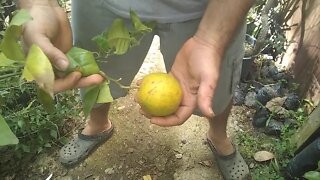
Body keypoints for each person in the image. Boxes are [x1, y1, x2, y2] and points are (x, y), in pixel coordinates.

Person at [19, 0, 254, 179]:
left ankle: (218, 136)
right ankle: (97, 125)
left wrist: (210, 40)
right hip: (103, 5)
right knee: (95, 77)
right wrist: (37, 3)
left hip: (211, 9)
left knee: (215, 89)